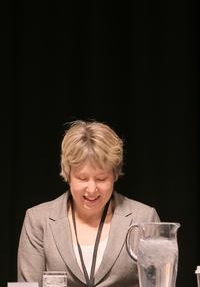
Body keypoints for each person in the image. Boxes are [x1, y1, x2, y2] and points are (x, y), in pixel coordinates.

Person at [18, 120, 160, 287]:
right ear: (67, 174)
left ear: (115, 175)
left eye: (101, 179)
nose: (92, 189)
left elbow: (158, 283)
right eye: (82, 178)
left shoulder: (144, 218)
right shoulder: (38, 220)